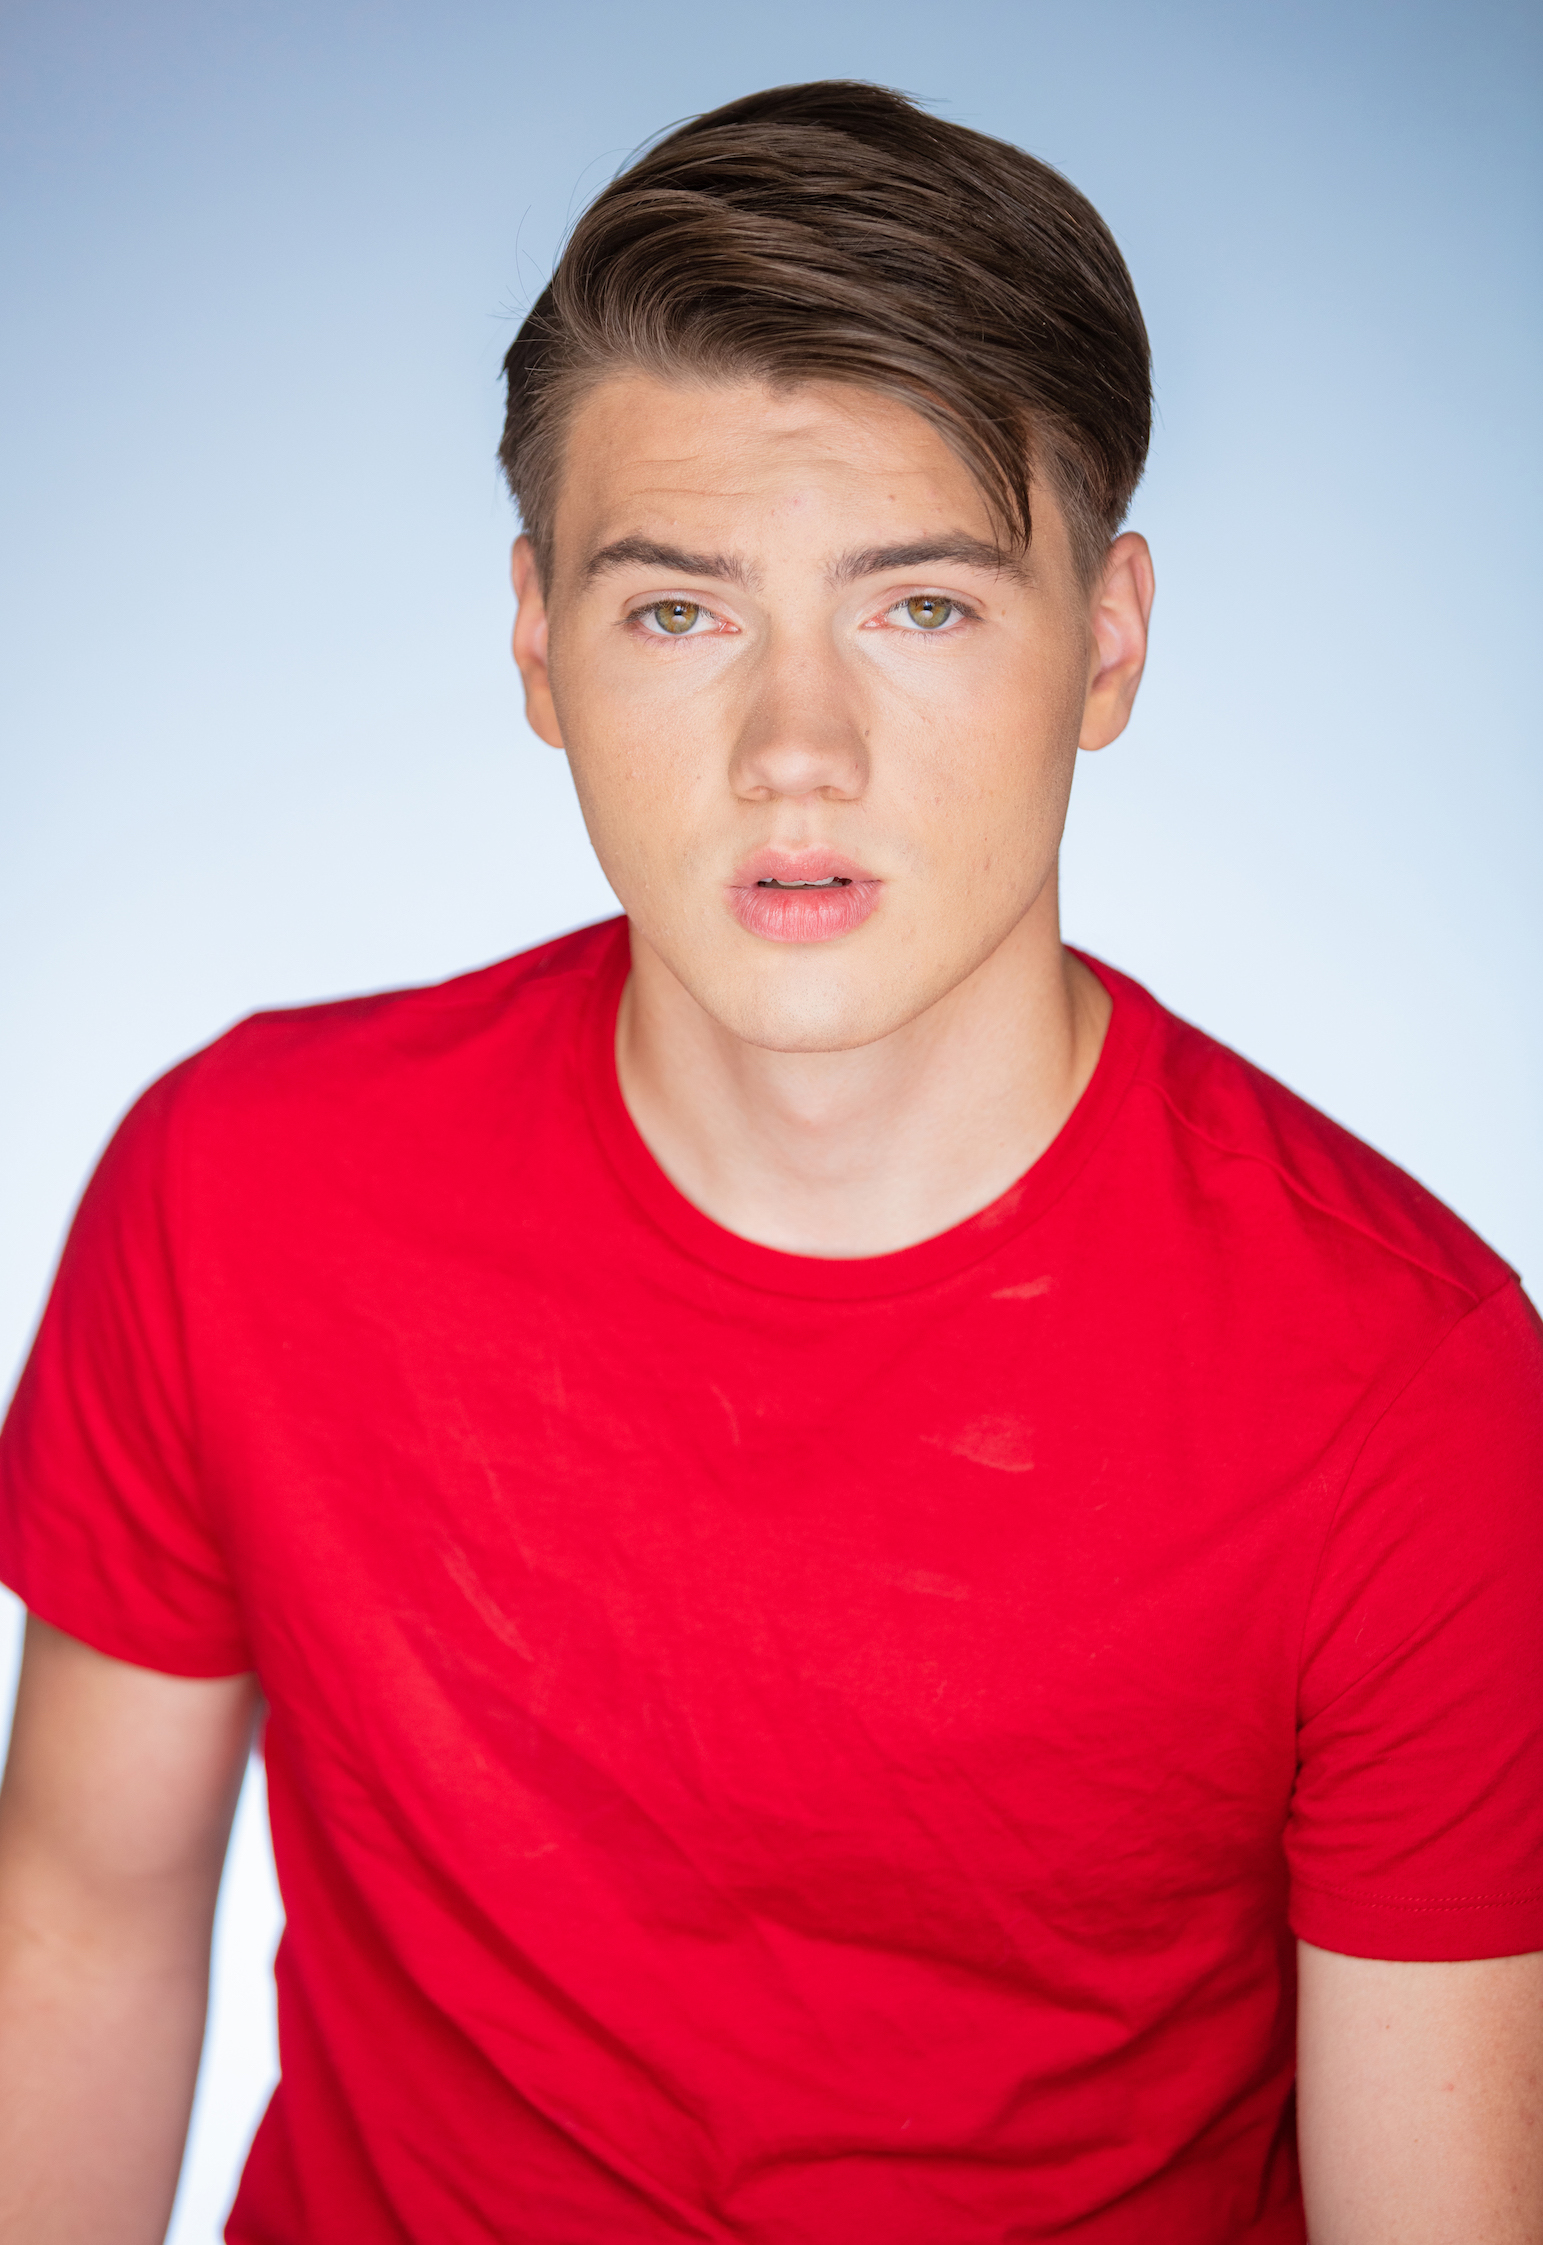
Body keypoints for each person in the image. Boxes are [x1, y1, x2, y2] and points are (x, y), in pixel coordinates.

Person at [0, 76, 1538, 2245]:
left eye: (921, 607)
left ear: (1106, 641)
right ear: (536, 642)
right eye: (678, 612)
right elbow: (77, 1922)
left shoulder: (1404, 1383)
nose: (794, 752)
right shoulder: (235, 1190)